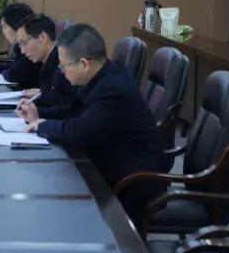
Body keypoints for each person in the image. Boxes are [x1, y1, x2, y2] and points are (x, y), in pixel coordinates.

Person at [21, 23, 171, 223]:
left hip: (132, 185)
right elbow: (76, 112)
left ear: (84, 64)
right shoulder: (101, 76)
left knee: (55, 208)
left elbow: (81, 131)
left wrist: (43, 126)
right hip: (109, 168)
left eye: (63, 66)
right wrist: (39, 114)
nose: (62, 72)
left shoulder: (113, 89)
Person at [13, 15, 77, 118]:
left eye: (24, 43)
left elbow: (71, 109)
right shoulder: (48, 62)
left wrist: (37, 113)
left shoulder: (64, 64)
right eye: (20, 45)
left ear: (43, 37)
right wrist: (40, 95)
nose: (22, 51)